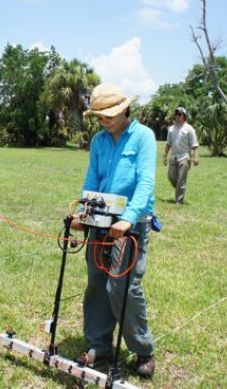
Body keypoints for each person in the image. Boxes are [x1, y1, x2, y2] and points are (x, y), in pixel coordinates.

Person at [71, 83, 156, 378]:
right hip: (100, 219)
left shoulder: (144, 137)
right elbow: (92, 177)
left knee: (122, 287)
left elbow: (146, 182)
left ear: (124, 110)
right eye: (100, 117)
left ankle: (142, 349)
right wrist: (84, 212)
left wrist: (129, 218)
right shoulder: (99, 140)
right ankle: (100, 343)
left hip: (130, 224)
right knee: (96, 282)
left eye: (110, 116)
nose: (105, 121)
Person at [163, 107, 199, 204]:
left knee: (181, 179)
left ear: (184, 116)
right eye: (176, 114)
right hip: (174, 156)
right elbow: (168, 143)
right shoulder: (171, 129)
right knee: (171, 177)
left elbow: (194, 144)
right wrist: (165, 155)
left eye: (180, 114)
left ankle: (179, 200)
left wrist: (196, 157)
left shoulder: (189, 129)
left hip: (184, 156)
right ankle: (180, 188)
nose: (177, 116)